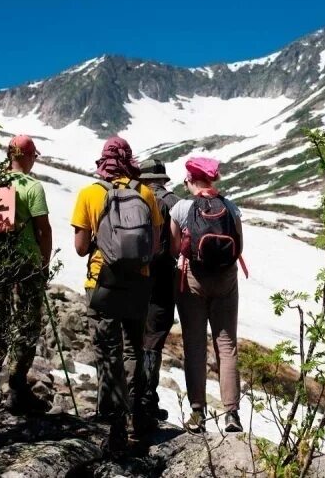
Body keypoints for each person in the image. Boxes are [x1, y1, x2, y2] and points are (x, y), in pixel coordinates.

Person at [71, 137, 163, 452]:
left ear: (104, 162)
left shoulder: (90, 193)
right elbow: (154, 246)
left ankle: (114, 424)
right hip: (138, 283)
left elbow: (81, 248)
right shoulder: (146, 193)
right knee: (133, 352)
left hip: (102, 282)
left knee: (108, 353)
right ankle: (138, 420)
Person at [0, 134, 53, 415]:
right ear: (28, 156)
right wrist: (44, 265)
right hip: (26, 265)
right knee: (25, 325)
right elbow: (43, 229)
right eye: (34, 156)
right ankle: (17, 389)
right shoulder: (32, 187)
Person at [170, 157, 244, 433]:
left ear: (190, 179)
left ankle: (197, 413)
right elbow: (239, 246)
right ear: (212, 180)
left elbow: (174, 248)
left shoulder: (181, 208)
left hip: (193, 281)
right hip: (226, 281)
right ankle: (232, 414)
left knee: (195, 344)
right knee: (227, 346)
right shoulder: (229, 206)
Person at [138, 159, 180, 424]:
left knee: (131, 337)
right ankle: (147, 398)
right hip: (164, 275)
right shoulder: (176, 203)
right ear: (163, 179)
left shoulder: (132, 197)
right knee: (153, 339)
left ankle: (123, 396)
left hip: (133, 274)